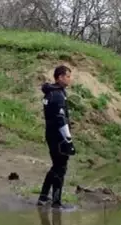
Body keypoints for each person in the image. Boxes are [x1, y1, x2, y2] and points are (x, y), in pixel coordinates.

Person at [37, 65, 76, 210]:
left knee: (56, 166)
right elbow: (61, 119)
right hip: (58, 136)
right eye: (67, 76)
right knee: (61, 167)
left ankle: (43, 196)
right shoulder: (58, 95)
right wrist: (68, 139)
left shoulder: (50, 92)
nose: (69, 79)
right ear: (59, 77)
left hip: (50, 133)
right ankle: (56, 202)